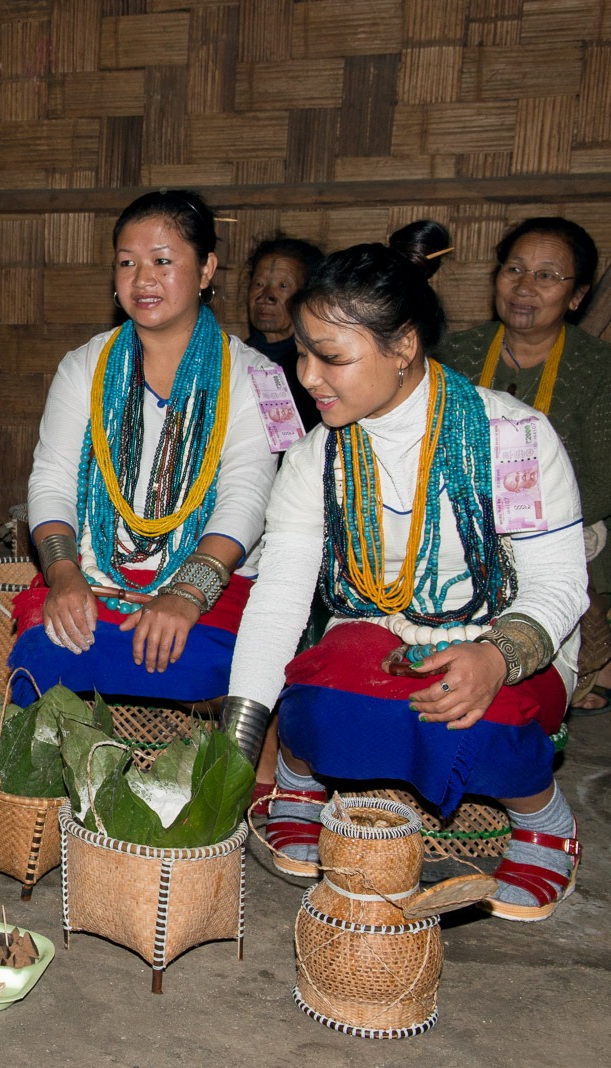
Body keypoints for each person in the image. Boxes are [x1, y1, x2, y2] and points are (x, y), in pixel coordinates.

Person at [221, 229, 586, 921]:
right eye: (301, 352)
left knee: (484, 716)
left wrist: (496, 655)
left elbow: (562, 584)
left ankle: (545, 820)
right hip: (379, 633)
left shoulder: (510, 438)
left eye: (331, 357)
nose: (306, 376)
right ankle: (300, 775)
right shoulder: (315, 459)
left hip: (503, 636)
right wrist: (239, 751)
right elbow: (279, 603)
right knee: (315, 696)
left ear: (404, 346)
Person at [7, 191, 281, 707]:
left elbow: (249, 498)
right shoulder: (83, 366)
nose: (142, 279)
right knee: (44, 658)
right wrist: (64, 574)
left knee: (197, 665)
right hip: (96, 571)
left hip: (209, 579)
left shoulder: (260, 377)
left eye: (162, 261)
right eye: (127, 263)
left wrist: (184, 594)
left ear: (205, 270)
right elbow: (52, 479)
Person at [439, 217, 611, 713]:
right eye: (514, 269)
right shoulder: (454, 356)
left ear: (576, 296)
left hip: (568, 517)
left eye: (546, 276)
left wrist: (530, 517)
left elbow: (604, 478)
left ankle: (563, 637)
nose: (524, 287)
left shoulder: (599, 368)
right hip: (463, 508)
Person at [245, 235, 325, 431]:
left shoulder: (317, 370)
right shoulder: (233, 359)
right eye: (259, 284)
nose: (266, 297)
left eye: (283, 286)